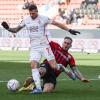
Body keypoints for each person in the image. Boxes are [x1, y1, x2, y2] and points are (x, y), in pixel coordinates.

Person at [1, 4, 80, 93]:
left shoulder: (43, 18)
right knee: (33, 65)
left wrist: (69, 30)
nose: (32, 15)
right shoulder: (26, 20)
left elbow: (56, 23)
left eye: (33, 13)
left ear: (37, 11)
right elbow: (15, 30)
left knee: (54, 66)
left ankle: (61, 67)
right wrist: (7, 28)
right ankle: (38, 88)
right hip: (34, 47)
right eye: (30, 13)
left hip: (44, 46)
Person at [19, 37, 89, 93]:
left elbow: (75, 70)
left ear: (70, 45)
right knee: (42, 70)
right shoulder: (55, 45)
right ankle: (32, 78)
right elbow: (45, 40)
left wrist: (82, 78)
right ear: (62, 43)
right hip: (47, 65)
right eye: (65, 42)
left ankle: (31, 87)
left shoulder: (70, 57)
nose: (66, 44)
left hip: (53, 75)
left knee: (47, 91)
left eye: (68, 43)